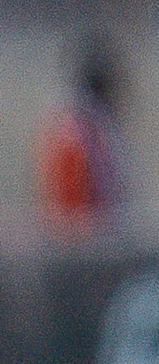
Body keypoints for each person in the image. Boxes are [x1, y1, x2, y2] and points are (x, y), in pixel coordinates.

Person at [35, 37, 127, 236]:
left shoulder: (93, 124)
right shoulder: (76, 130)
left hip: (92, 233)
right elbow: (74, 203)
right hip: (80, 239)